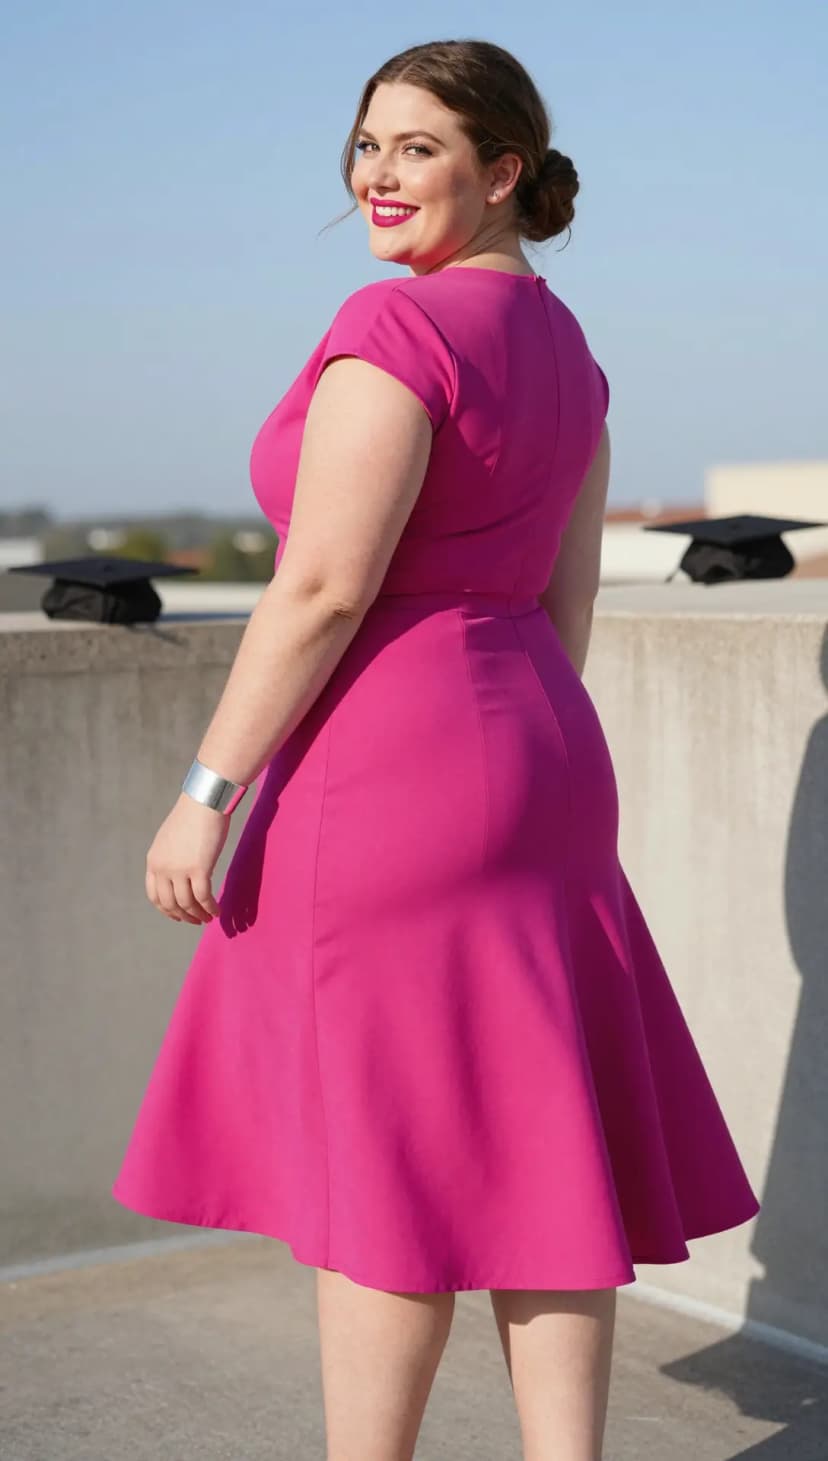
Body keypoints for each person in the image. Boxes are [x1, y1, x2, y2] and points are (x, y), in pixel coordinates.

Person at [112, 37, 761, 1461]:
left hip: (388, 765)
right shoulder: (570, 353)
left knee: (386, 1164)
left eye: (417, 147)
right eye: (364, 147)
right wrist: (511, 748)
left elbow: (323, 587)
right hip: (536, 742)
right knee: (543, 1142)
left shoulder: (395, 332)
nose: (378, 176)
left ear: (502, 171)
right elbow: (565, 599)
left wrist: (204, 793)